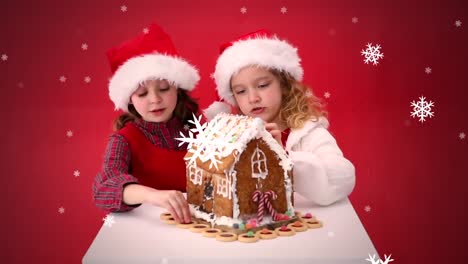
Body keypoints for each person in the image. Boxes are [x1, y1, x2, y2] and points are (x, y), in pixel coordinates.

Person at [205, 29, 355, 206]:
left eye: (262, 85)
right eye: (241, 91)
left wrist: (283, 157)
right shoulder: (232, 137)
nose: (253, 98)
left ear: (284, 85)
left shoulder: (308, 133)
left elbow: (343, 178)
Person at [93, 23, 200, 223]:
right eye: (142, 93)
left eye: (163, 88)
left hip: (199, 227)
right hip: (149, 230)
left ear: (177, 88)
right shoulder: (124, 139)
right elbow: (105, 188)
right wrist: (152, 195)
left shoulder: (200, 127)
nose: (155, 99)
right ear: (129, 99)